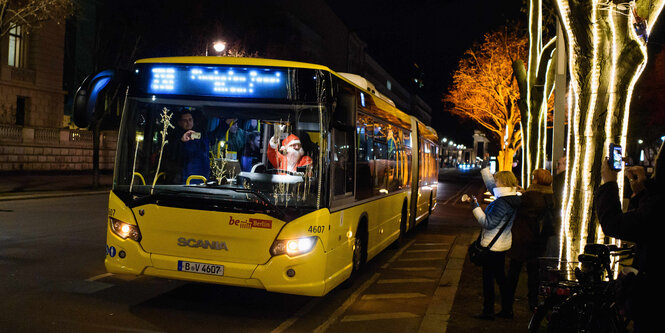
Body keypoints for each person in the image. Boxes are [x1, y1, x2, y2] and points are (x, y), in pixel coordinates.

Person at [593, 143, 661, 332]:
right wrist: (642, 192)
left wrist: (608, 183)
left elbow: (616, 224)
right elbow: (644, 222)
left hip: (655, 300)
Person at [464, 168, 521, 320]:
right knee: (501, 278)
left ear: (502, 183)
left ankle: (488, 311)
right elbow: (491, 186)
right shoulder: (512, 197)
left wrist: (475, 207)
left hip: (492, 247)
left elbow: (488, 223)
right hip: (502, 244)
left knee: (489, 280)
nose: (494, 183)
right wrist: (485, 169)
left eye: (497, 180)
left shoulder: (502, 203)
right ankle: (507, 310)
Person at [504, 169, 555, 316]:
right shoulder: (549, 196)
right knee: (534, 274)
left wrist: (520, 194)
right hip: (539, 240)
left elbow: (519, 207)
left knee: (514, 273)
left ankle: (508, 306)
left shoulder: (531, 196)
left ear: (537, 181)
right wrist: (524, 192)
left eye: (534, 178)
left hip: (523, 239)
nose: (532, 180)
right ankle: (533, 304)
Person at [166, 110, 210, 184]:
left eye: (190, 120)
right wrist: (181, 141)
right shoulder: (174, 136)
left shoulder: (200, 134)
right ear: (180, 122)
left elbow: (212, 139)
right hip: (183, 177)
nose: (188, 122)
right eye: (185, 120)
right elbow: (172, 154)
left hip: (202, 176)